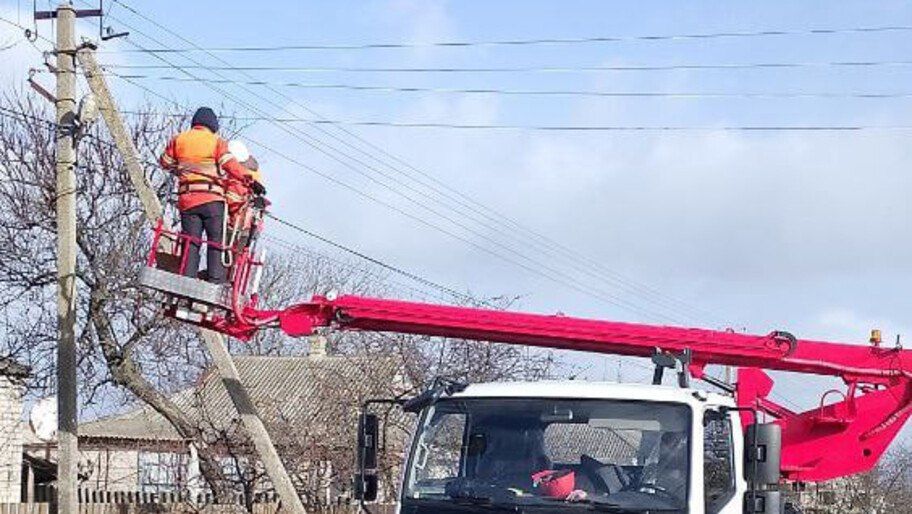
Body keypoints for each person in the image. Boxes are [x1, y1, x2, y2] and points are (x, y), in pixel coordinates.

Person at [159, 107, 249, 283]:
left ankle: (187, 278)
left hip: (187, 200)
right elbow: (229, 164)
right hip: (212, 200)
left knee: (191, 242)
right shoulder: (216, 142)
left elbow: (165, 162)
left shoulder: (179, 140)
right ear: (213, 126)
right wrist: (248, 180)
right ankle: (216, 279)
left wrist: (181, 169)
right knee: (216, 241)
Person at [224, 140, 267, 256]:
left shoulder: (236, 177)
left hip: (234, 224)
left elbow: (231, 199)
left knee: (223, 254)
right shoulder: (255, 175)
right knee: (233, 257)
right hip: (246, 226)